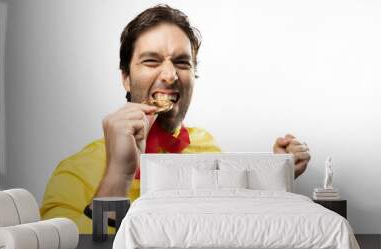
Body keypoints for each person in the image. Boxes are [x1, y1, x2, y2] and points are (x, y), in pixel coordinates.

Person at [40, 5, 311, 234]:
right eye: (151, 61)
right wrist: (118, 175)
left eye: (182, 63)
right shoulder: (73, 173)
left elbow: (237, 218)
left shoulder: (206, 147)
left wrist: (276, 169)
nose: (170, 75)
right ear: (125, 77)